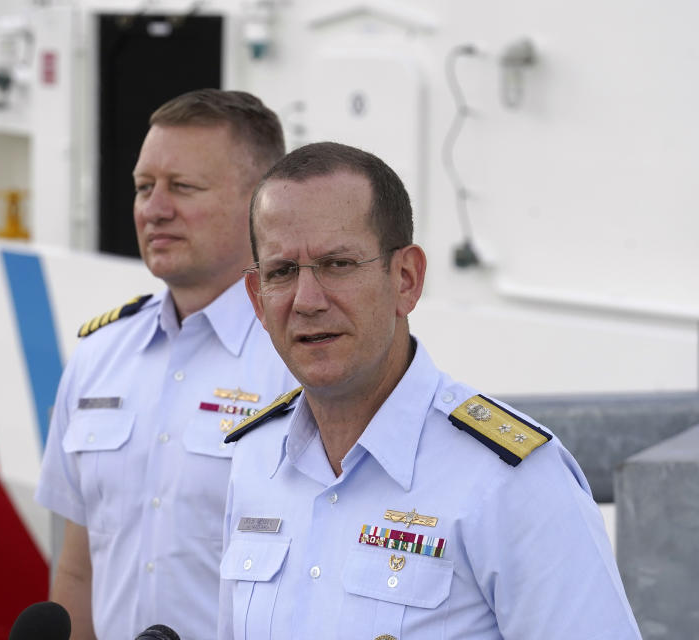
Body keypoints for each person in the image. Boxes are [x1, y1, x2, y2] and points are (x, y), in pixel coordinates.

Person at [219, 142, 642, 639]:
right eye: (282, 272)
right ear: (257, 299)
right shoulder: (254, 461)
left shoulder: (511, 481)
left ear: (406, 279)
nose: (307, 301)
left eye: (337, 264)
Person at [35, 89, 296, 640]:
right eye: (143, 187)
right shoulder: (98, 357)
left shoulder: (301, 363)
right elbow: (79, 570)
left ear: (260, 203)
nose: (154, 209)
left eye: (182, 187)